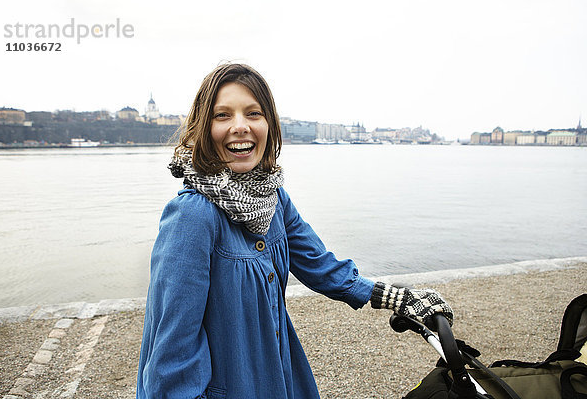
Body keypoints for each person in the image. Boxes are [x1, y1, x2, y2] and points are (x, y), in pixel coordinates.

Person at [136, 63, 453, 399]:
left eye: (254, 113)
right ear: (203, 128)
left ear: (269, 125)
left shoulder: (273, 198)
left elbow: (321, 266)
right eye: (223, 116)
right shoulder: (192, 214)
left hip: (278, 377)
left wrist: (396, 298)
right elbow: (173, 349)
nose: (240, 126)